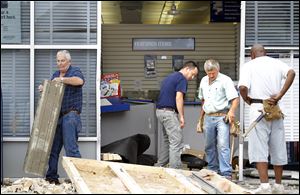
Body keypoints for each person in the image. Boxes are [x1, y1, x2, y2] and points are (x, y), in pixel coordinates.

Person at [238, 44, 295, 194]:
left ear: (252, 54)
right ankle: (278, 185)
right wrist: (280, 95)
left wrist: (246, 99)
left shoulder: (249, 65)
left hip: (257, 107)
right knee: (278, 147)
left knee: (259, 148)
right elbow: (292, 73)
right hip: (274, 108)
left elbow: (242, 88)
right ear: (265, 53)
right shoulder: (276, 63)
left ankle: (264, 186)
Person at [39, 50, 85, 184]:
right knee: (53, 150)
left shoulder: (75, 71)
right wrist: (45, 88)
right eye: (58, 61)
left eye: (62, 60)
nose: (60, 63)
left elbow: (79, 81)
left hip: (71, 115)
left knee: (71, 149)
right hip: (57, 117)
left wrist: (63, 80)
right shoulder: (55, 74)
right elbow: (52, 92)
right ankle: (51, 178)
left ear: (68, 61)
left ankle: (78, 180)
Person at [197, 59, 239, 179]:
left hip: (222, 117)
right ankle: (212, 169)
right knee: (208, 145)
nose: (211, 75)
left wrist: (231, 112)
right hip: (208, 117)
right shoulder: (204, 80)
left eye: (213, 73)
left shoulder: (225, 80)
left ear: (218, 69)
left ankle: (226, 173)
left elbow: (235, 99)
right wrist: (200, 118)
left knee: (222, 145)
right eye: (208, 73)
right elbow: (203, 100)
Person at [155, 61, 198, 169]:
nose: (192, 78)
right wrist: (181, 116)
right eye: (193, 74)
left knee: (167, 140)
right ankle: (176, 170)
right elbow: (179, 98)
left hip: (160, 111)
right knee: (176, 140)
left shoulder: (170, 77)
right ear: (187, 69)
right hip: (169, 113)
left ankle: (160, 166)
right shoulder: (182, 79)